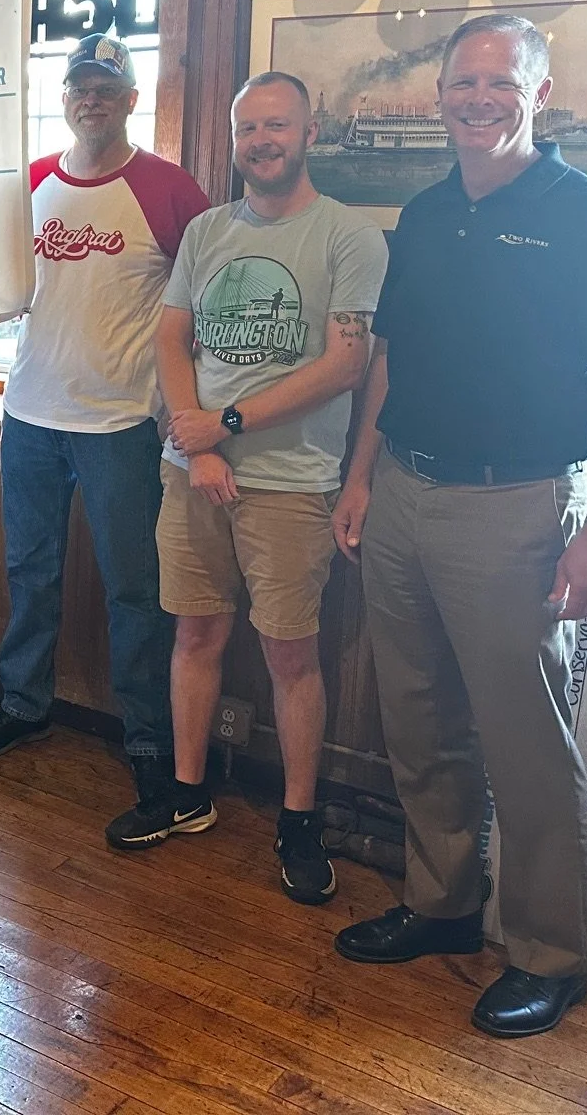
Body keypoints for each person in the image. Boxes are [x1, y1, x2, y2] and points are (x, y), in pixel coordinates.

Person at [330, 15, 587, 1038]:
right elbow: (390, 361)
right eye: (462, 84)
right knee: (417, 720)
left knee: (524, 742)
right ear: (438, 96)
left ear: (540, 92)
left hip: (516, 507)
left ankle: (550, 954)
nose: (479, 100)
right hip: (403, 496)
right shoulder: (424, 216)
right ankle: (440, 905)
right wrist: (360, 479)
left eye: (501, 84)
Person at [0, 34, 213, 850]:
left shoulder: (170, 191)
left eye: (107, 87)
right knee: (28, 569)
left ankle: (148, 739)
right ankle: (24, 703)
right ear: (65, 98)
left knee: (134, 592)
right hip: (29, 414)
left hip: (121, 428)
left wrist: (185, 408)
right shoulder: (32, 182)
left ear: (132, 98)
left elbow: (202, 311)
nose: (91, 100)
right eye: (79, 88)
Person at [148, 72, 385, 901]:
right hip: (194, 475)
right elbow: (172, 341)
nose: (261, 142)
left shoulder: (349, 238)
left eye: (276, 126)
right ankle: (186, 794)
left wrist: (229, 426)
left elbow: (347, 363)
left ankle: (298, 818)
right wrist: (197, 440)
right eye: (248, 129)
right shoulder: (210, 231)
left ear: (310, 132)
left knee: (290, 655)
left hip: (291, 485)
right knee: (194, 638)